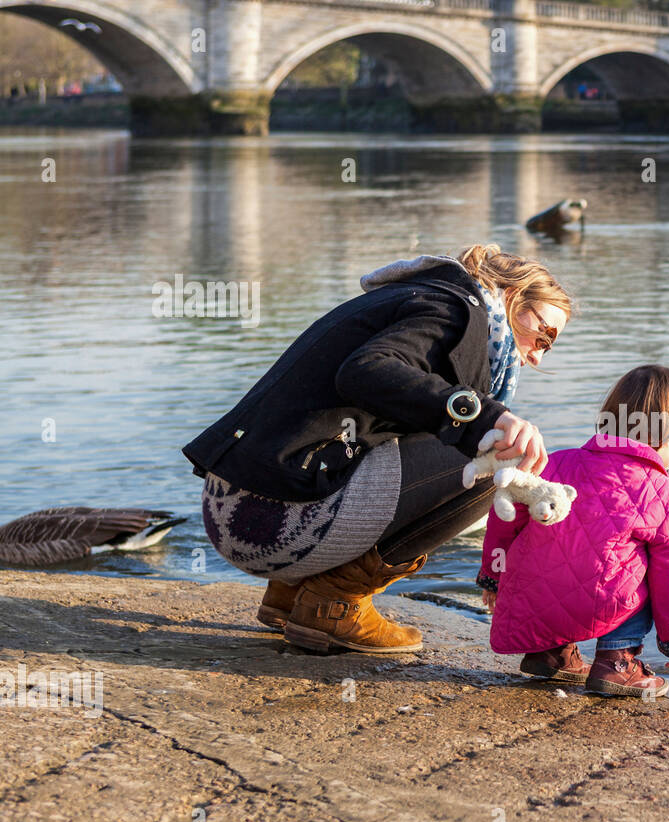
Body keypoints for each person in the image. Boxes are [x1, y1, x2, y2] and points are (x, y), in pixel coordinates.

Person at [182, 245, 571, 654]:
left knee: (452, 434)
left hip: (233, 512)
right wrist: (484, 416)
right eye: (544, 334)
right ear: (511, 295)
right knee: (496, 458)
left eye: (551, 345)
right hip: (275, 523)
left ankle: (291, 593)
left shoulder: (418, 297)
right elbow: (365, 371)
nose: (539, 354)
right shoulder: (454, 313)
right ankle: (334, 603)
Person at [477, 365, 669, 698]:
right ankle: (618, 661)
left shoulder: (554, 463)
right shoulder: (667, 496)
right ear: (664, 436)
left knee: (554, 549)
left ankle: (549, 653)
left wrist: (492, 578)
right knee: (643, 569)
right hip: (602, 605)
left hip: (534, 597)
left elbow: (504, 519)